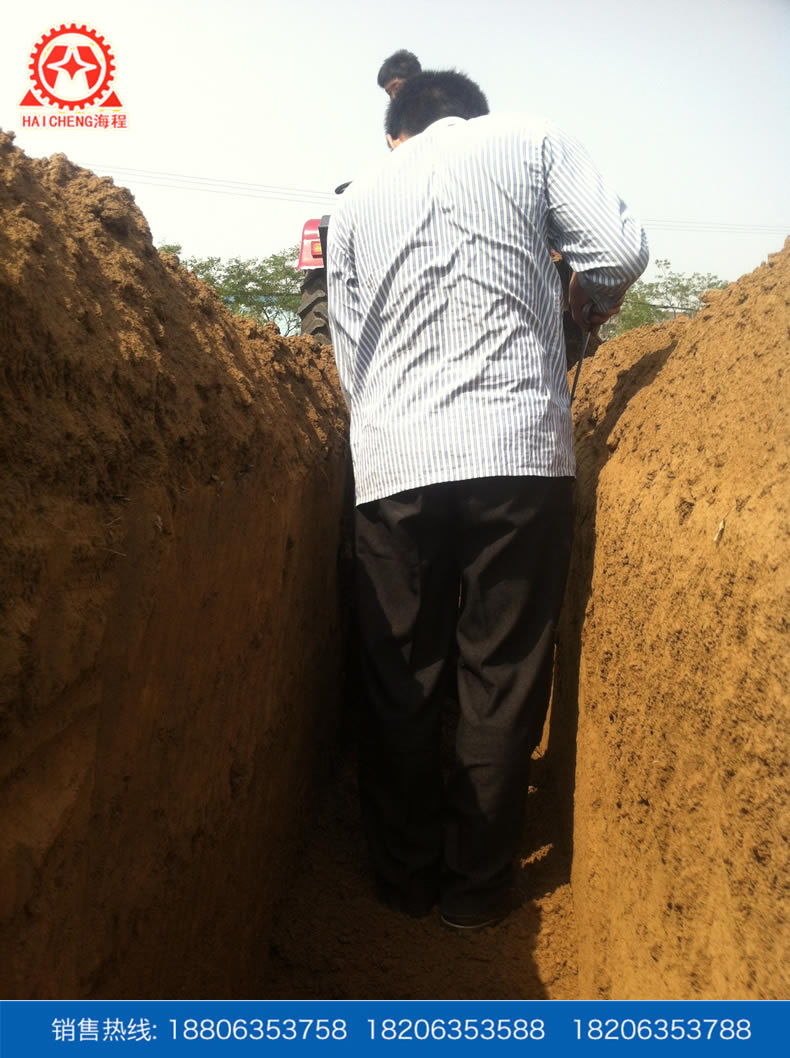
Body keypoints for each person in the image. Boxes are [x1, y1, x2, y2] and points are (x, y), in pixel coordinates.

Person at [327, 70, 648, 932]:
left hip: (396, 460)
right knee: (500, 671)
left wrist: (392, 420)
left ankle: (404, 880)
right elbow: (616, 254)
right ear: (474, 114)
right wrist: (584, 301)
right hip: (518, 452)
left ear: (400, 126)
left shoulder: (354, 201)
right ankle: (475, 893)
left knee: (401, 671)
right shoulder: (529, 139)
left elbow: (351, 354)